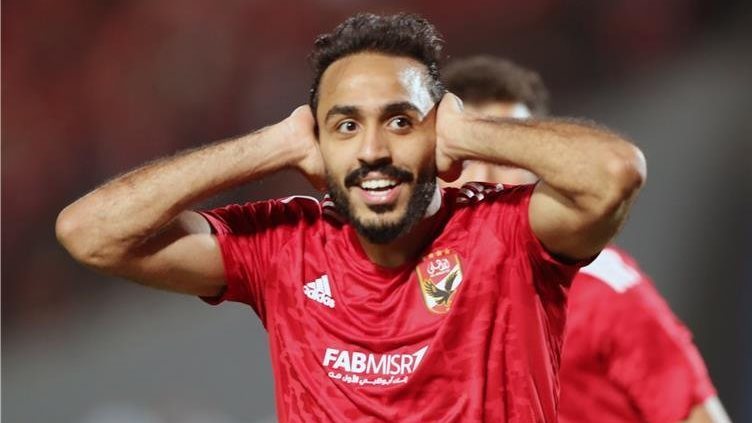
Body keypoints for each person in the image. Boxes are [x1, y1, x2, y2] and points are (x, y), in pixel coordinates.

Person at [56, 14, 645, 422]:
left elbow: (613, 173)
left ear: (437, 131)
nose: (372, 151)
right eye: (345, 126)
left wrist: (470, 132)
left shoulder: (506, 233)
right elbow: (90, 234)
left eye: (400, 121)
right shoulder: (284, 245)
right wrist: (269, 146)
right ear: (316, 142)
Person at [442, 55, 731, 423]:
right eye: (466, 159)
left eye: (507, 158)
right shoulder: (407, 288)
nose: (485, 179)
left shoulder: (601, 287)